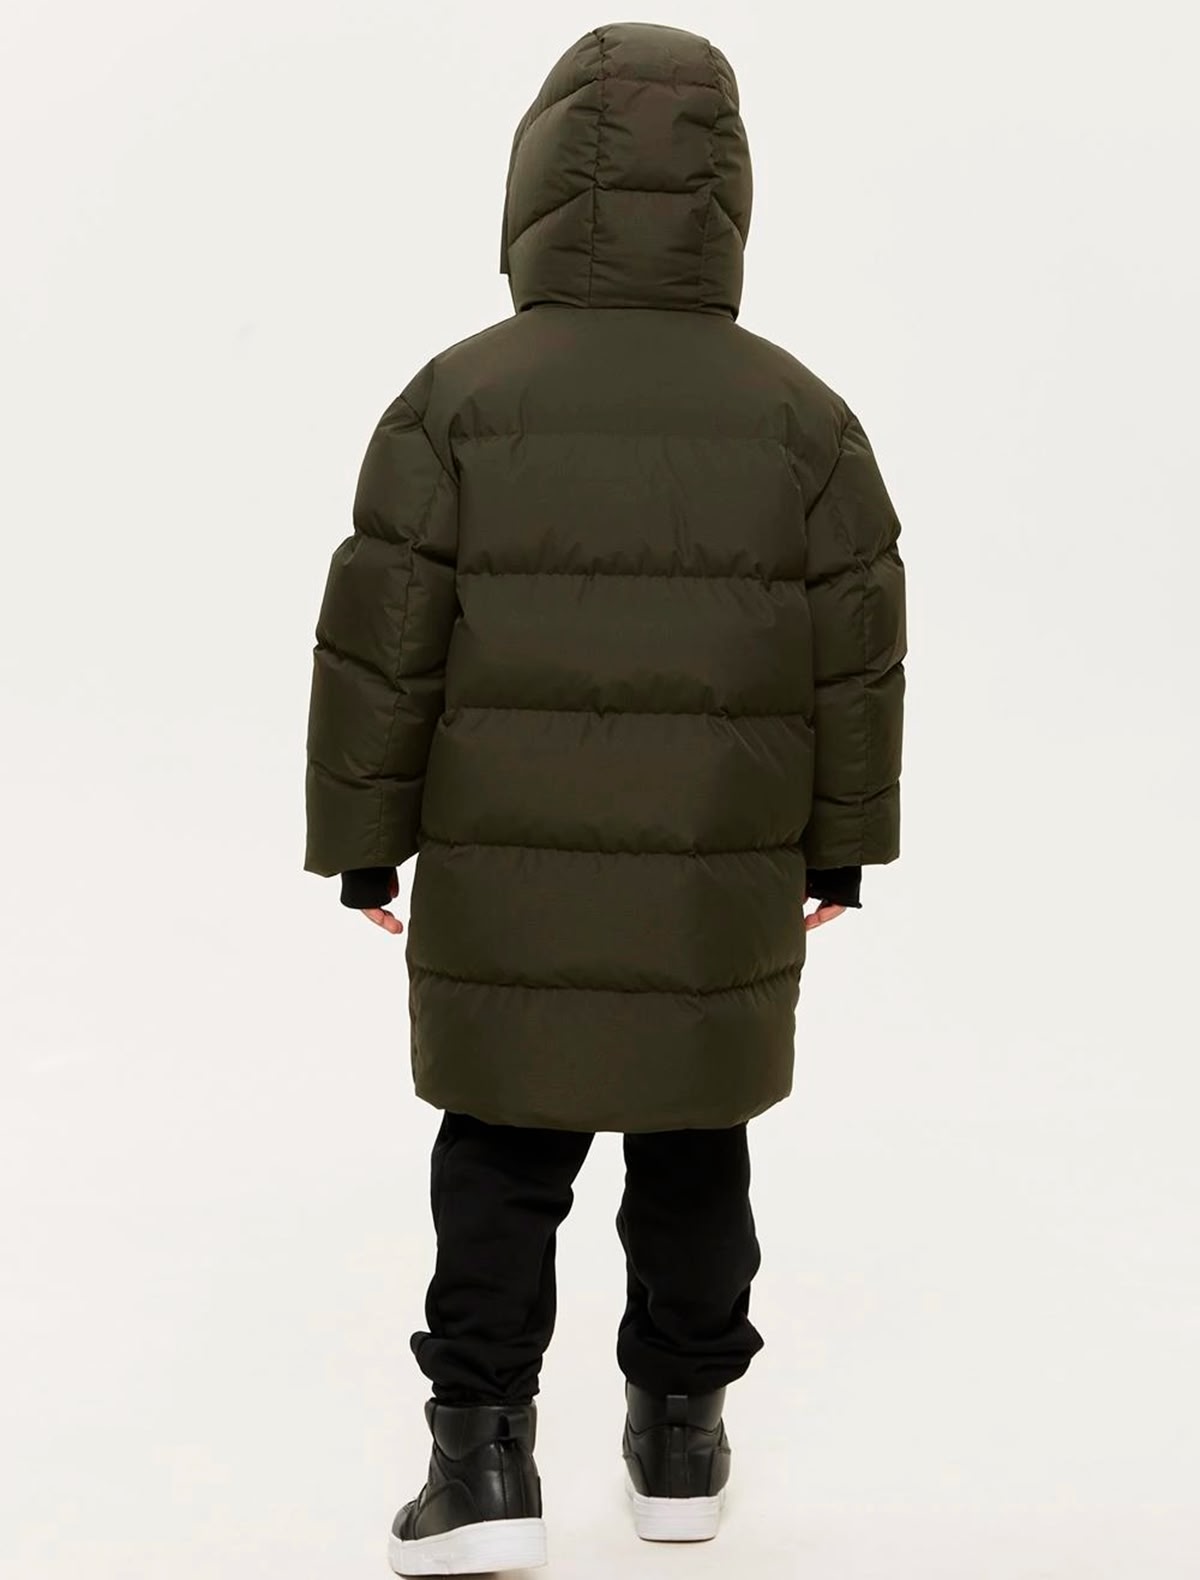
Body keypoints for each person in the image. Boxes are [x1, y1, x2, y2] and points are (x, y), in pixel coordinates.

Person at [303, 20, 907, 1576]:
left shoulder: (455, 398)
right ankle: (681, 1445)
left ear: (536, 182)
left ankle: (479, 1465)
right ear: (725, 194)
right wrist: (843, 846)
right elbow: (858, 652)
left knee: (501, 1150)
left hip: (504, 868)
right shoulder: (804, 417)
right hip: (717, 863)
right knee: (695, 1140)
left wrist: (361, 846)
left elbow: (380, 640)